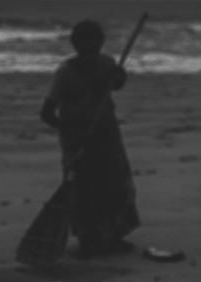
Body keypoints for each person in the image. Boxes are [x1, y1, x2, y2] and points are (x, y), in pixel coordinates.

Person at [39, 19, 140, 258]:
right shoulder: (66, 73)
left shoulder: (106, 64)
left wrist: (119, 76)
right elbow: (46, 113)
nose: (88, 56)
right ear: (75, 47)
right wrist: (70, 130)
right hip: (78, 140)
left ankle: (114, 235)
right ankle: (89, 238)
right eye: (83, 51)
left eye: (93, 50)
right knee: (84, 188)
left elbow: (115, 85)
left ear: (101, 46)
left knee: (113, 183)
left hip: (106, 134)